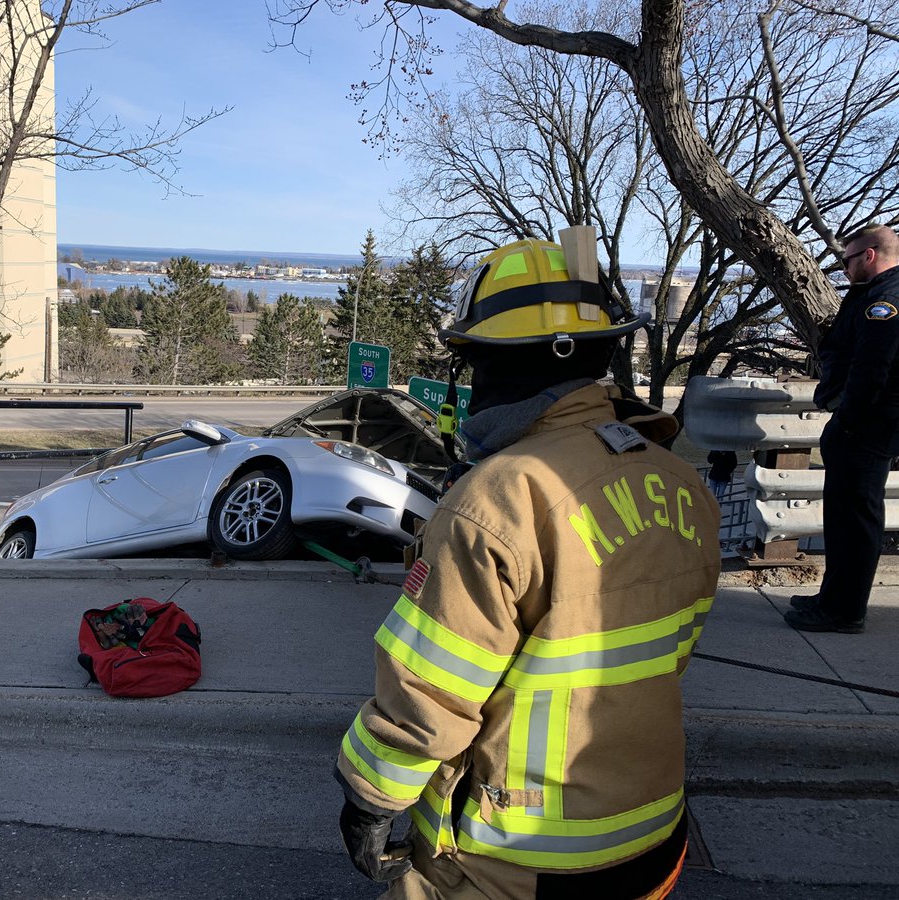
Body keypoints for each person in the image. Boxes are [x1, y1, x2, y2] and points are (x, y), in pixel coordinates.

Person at [335, 237, 723, 899]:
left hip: (513, 859)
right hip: (655, 837)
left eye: (476, 364)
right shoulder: (680, 483)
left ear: (501, 367)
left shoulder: (498, 499)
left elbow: (430, 691)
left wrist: (371, 798)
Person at [786, 224, 899, 634]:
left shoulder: (886, 301)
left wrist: (847, 420)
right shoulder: (874, 294)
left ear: (869, 255)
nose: (844, 268)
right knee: (844, 517)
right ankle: (833, 597)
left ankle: (845, 610)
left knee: (854, 521)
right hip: (864, 423)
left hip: (866, 427)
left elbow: (873, 369)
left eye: (848, 259)